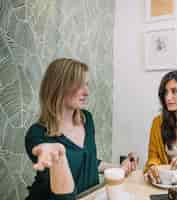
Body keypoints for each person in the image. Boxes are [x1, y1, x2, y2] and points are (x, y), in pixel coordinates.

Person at [25, 58, 138, 200]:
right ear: (59, 87)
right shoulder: (37, 134)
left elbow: (88, 161)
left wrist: (119, 168)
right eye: (79, 85)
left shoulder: (87, 119)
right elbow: (63, 195)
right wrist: (56, 153)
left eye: (86, 84)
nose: (86, 92)